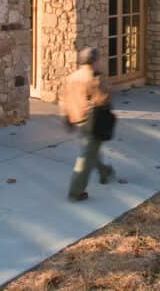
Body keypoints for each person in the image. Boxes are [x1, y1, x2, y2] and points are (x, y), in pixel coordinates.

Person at [61, 47, 114, 202]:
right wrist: (107, 89)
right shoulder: (92, 78)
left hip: (77, 120)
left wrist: (66, 116)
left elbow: (64, 99)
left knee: (91, 150)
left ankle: (105, 172)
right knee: (85, 158)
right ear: (94, 61)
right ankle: (75, 192)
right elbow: (102, 99)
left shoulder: (72, 76)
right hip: (92, 121)